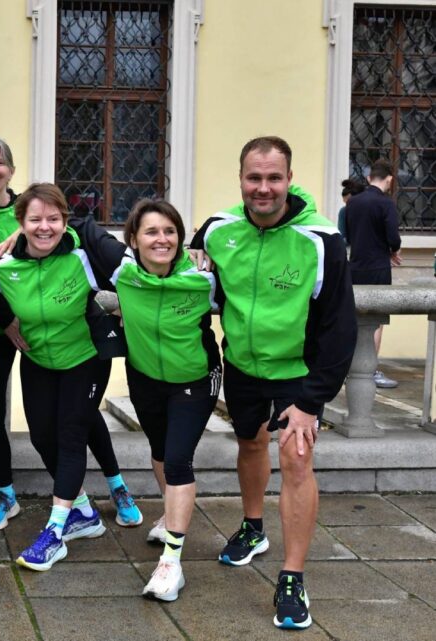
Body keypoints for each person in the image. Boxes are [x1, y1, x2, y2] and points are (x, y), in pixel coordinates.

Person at [191, 136, 356, 629]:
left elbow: (339, 328)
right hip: (242, 365)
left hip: (298, 372)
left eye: (273, 178)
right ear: (240, 178)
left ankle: (292, 576)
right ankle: (253, 527)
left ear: (289, 178)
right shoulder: (219, 230)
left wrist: (312, 401)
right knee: (249, 445)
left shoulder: (322, 239)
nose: (263, 188)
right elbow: (174, 255)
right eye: (253, 178)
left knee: (297, 460)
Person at [0, 138, 143, 531]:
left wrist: (129, 304)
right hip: (6, 332)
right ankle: (7, 492)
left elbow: (109, 254)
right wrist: (6, 318)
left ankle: (111, 488)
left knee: (79, 419)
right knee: (1, 415)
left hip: (72, 343)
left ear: (11, 170)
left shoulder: (54, 230)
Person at [0, 183, 126, 572]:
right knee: (41, 437)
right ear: (20, 223)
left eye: (53, 219)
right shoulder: (3, 266)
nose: (44, 227)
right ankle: (82, 511)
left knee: (70, 436)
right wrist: (6, 321)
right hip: (37, 361)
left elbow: (129, 274)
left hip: (85, 358)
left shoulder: (83, 256)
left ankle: (55, 531)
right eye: (34, 220)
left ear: (66, 222)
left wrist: (122, 311)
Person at [108, 199, 221, 601]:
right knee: (158, 449)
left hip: (194, 378)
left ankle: (171, 563)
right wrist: (18, 233)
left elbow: (234, 235)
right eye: (152, 231)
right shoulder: (121, 271)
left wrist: (205, 239)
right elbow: (69, 232)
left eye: (170, 231)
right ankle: (169, 515)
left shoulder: (204, 277)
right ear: (134, 240)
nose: (162, 239)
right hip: (144, 377)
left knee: (177, 459)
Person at [345, 158, 402, 389]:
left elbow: (349, 234)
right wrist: (392, 250)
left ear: (370, 178)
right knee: (376, 323)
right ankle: (371, 370)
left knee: (354, 319)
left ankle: (350, 367)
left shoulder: (353, 202)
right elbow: (393, 238)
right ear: (389, 178)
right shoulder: (385, 203)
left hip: (355, 266)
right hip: (378, 268)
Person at [337, 176, 367, 246]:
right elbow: (342, 236)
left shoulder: (370, 210)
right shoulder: (344, 212)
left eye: (349, 202)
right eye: (346, 203)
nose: (348, 206)